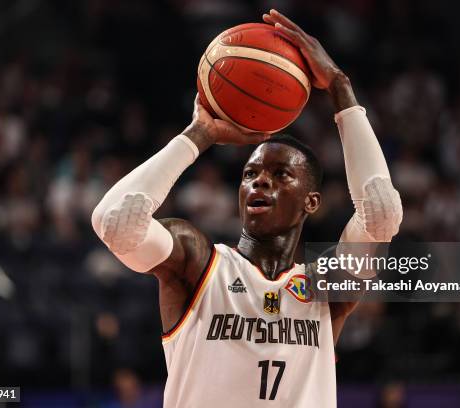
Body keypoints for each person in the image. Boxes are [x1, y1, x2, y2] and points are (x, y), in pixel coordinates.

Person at [91, 9, 402, 408]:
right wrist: (197, 135)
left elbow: (381, 215)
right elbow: (114, 222)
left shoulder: (325, 288)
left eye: (279, 174)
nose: (259, 181)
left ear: (311, 201)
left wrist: (341, 88)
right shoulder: (199, 263)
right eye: (250, 173)